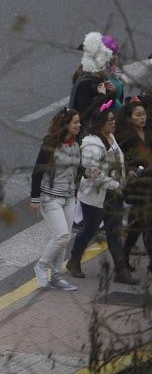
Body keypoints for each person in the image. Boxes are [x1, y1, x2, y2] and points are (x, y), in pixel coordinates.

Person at [66, 107, 132, 283]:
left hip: (114, 194)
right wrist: (115, 184)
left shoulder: (111, 136)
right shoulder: (91, 143)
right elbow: (94, 173)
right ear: (100, 123)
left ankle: (121, 271)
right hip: (96, 195)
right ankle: (74, 260)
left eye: (113, 119)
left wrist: (123, 179)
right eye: (109, 120)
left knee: (114, 232)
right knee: (90, 229)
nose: (113, 122)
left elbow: (118, 162)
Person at [29, 107, 84, 291]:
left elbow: (77, 170)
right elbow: (37, 171)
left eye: (79, 122)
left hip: (69, 198)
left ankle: (57, 276)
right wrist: (35, 198)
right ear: (66, 124)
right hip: (49, 197)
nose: (79, 125)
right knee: (61, 236)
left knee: (65, 239)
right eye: (75, 122)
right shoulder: (50, 144)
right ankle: (42, 265)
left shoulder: (75, 145)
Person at [120, 98, 151, 273]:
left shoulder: (148, 133)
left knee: (137, 224)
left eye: (144, 114)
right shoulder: (126, 138)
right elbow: (121, 161)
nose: (142, 118)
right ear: (130, 118)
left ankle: (123, 256)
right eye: (138, 115)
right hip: (138, 185)